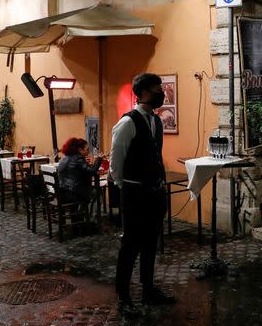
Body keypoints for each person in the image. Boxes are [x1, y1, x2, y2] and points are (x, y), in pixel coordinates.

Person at [110, 73, 175, 310]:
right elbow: (116, 163)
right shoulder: (127, 123)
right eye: (158, 88)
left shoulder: (157, 122)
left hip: (154, 193)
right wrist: (127, 188)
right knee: (130, 246)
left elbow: (156, 155)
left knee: (150, 244)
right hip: (135, 194)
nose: (162, 92)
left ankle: (148, 290)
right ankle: (123, 296)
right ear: (145, 92)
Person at [56, 138, 101, 223]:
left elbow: (76, 172)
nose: (88, 151)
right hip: (72, 194)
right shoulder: (78, 158)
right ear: (80, 150)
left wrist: (85, 163)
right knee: (97, 192)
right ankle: (90, 220)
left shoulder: (65, 157)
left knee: (90, 190)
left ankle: (79, 217)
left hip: (61, 192)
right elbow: (91, 172)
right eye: (87, 149)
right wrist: (99, 159)